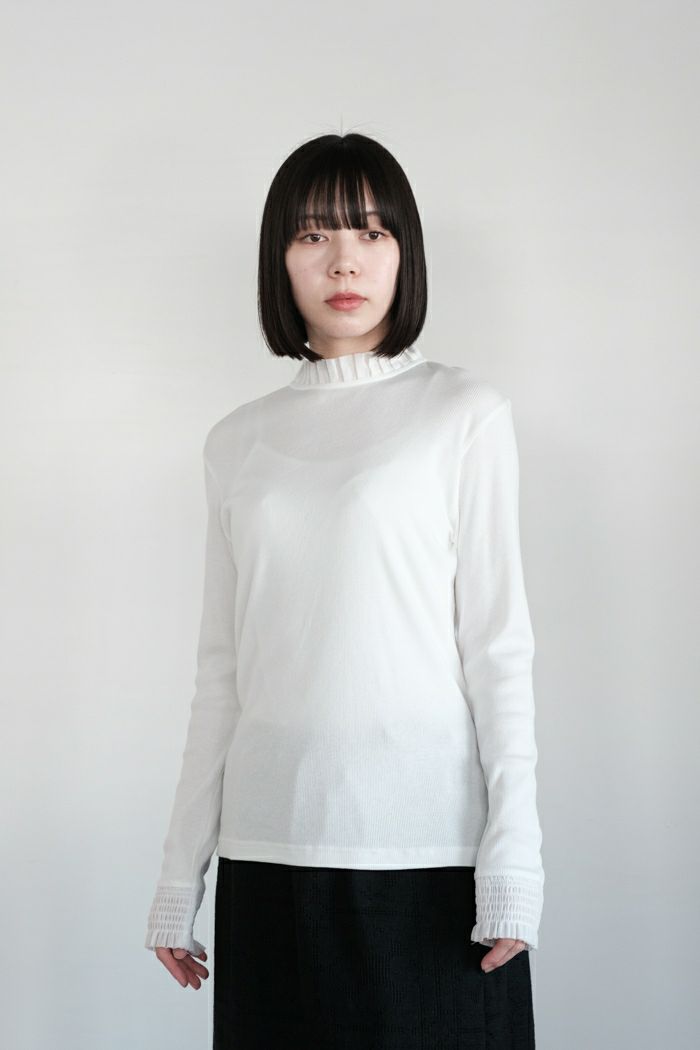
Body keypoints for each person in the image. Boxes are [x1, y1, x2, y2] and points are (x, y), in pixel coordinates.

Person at [144, 131, 544, 1048]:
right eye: (313, 235)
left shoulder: (462, 414)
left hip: (428, 858)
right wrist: (178, 877)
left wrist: (514, 860)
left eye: (371, 231)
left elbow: (499, 652)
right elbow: (222, 675)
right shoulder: (237, 441)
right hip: (268, 854)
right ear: (279, 259)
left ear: (405, 251)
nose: (344, 261)